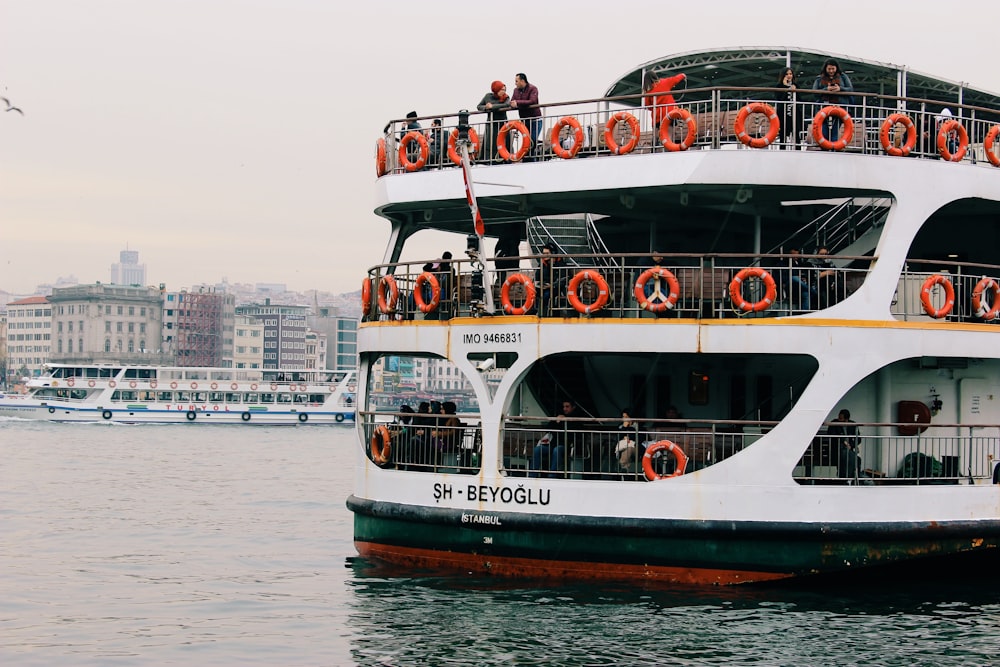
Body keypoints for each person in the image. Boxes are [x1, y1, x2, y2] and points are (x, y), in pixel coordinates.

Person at [530, 399, 587, 478]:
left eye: (567, 407)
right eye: (564, 407)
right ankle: (532, 475)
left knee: (557, 450)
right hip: (553, 444)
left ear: (573, 407)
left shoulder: (577, 419)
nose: (565, 409)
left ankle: (552, 475)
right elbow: (548, 428)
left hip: (567, 446)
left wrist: (566, 420)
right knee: (537, 450)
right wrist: (556, 421)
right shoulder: (559, 416)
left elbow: (577, 433)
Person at [811, 58, 854, 144]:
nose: (831, 71)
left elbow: (850, 89)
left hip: (840, 107)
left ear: (836, 68)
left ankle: (833, 147)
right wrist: (826, 89)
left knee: (835, 128)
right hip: (823, 107)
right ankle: (826, 146)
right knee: (824, 128)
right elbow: (814, 92)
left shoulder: (843, 77)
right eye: (829, 69)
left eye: (833, 69)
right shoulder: (819, 79)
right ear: (825, 68)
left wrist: (840, 89)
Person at [477, 81, 511, 163]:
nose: (503, 92)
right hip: (491, 124)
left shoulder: (506, 97)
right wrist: (486, 107)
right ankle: (489, 160)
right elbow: (479, 106)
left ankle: (504, 159)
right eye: (501, 90)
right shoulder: (488, 96)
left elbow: (506, 105)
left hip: (502, 124)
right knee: (490, 142)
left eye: (504, 90)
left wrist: (492, 106)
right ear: (496, 90)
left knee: (504, 141)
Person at [510, 72, 541, 159]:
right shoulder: (515, 90)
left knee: (533, 140)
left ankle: (531, 159)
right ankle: (527, 158)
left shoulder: (533, 88)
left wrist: (518, 103)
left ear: (522, 81)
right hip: (524, 120)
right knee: (526, 141)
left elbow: (532, 101)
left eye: (516, 81)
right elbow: (513, 100)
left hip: (535, 119)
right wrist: (512, 104)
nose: (515, 83)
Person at [773, 67, 802, 149]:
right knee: (783, 133)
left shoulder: (796, 85)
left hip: (794, 112)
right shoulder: (779, 86)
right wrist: (786, 88)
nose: (789, 76)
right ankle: (782, 149)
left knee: (796, 132)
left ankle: (798, 149)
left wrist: (795, 91)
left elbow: (800, 100)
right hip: (783, 113)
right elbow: (779, 98)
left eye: (790, 74)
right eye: (787, 74)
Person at [828, 408, 860, 480]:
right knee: (847, 456)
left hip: (848, 449)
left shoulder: (852, 424)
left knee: (857, 459)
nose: (839, 419)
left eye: (841, 418)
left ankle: (852, 477)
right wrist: (843, 442)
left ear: (846, 419)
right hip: (837, 449)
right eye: (839, 417)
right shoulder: (834, 423)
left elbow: (858, 438)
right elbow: (832, 436)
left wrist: (851, 445)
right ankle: (845, 477)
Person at [422, 251, 454, 320]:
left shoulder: (448, 270)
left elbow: (446, 284)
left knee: (437, 296)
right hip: (435, 293)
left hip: (442, 293)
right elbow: (425, 268)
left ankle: (432, 314)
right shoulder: (445, 269)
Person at [537, 242, 565, 316]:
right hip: (543, 287)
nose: (544, 255)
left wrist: (552, 285)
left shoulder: (561, 264)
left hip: (557, 288)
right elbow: (537, 276)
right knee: (534, 293)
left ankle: (543, 314)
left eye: (547, 253)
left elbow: (564, 279)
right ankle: (536, 313)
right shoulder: (542, 264)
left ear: (553, 253)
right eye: (543, 253)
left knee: (546, 295)